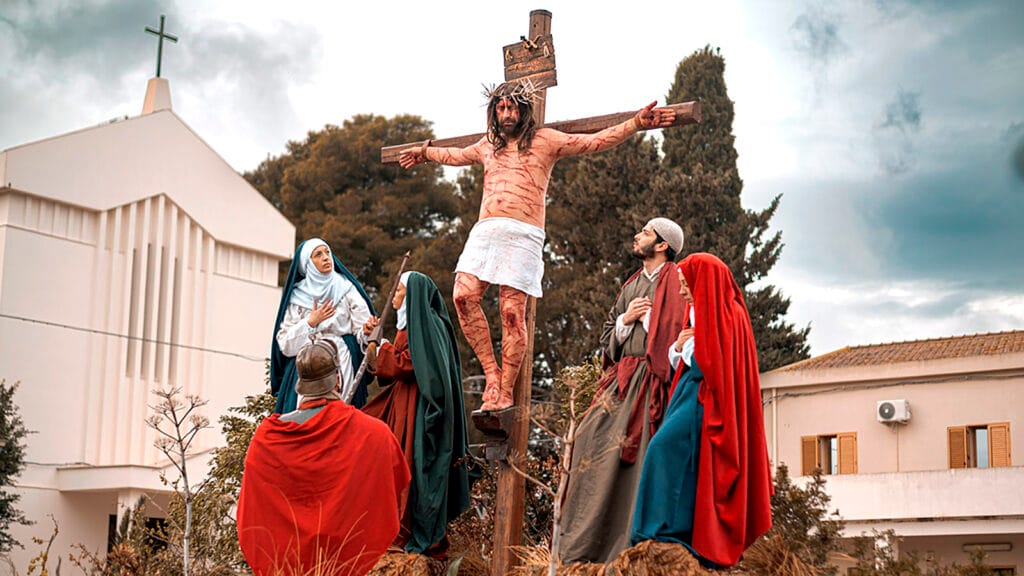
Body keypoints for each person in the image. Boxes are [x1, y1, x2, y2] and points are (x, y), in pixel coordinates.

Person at [399, 81, 678, 412]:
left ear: (524, 110)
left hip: (523, 234)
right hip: (486, 231)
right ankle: (491, 372)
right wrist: (424, 152)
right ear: (494, 111)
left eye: (513, 107)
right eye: (501, 107)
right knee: (462, 296)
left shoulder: (544, 141)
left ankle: (504, 390)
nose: (507, 113)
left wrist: (635, 123)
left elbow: (593, 142)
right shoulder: (488, 145)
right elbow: (454, 155)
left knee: (512, 313)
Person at [630, 252, 773, 567]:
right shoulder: (699, 312)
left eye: (686, 284)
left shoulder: (729, 314)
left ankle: (658, 530)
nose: (681, 291)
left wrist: (688, 346)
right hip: (689, 393)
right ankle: (671, 532)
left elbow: (713, 364)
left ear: (703, 283)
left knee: (662, 449)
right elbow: (679, 358)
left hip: (707, 399)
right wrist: (682, 346)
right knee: (688, 463)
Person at [558, 218, 687, 564]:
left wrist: (649, 323)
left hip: (651, 381)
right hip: (619, 380)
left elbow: (679, 328)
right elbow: (606, 337)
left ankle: (630, 548)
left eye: (645, 232)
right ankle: (582, 552)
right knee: (587, 440)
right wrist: (625, 320)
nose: (637, 235)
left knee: (641, 456)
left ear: (662, 245)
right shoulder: (631, 283)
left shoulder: (675, 279)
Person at [238, 339, 411, 576]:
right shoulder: (375, 433)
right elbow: (397, 485)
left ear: (300, 386)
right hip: (350, 564)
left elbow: (254, 508)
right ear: (338, 379)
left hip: (287, 566)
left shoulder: (268, 438)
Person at [360, 271, 472, 556]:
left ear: (412, 296)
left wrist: (382, 346)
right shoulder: (412, 326)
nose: (393, 296)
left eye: (398, 291)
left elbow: (412, 366)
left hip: (419, 410)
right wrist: (374, 341)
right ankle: (392, 530)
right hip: (404, 404)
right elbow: (395, 364)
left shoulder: (429, 326)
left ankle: (410, 533)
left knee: (413, 468)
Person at [271, 238, 375, 414]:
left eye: (327, 252)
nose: (326, 258)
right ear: (307, 263)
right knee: (307, 416)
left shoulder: (345, 287)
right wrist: (311, 323)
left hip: (341, 360)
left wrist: (366, 332)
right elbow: (285, 345)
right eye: (318, 255)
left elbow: (362, 328)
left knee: (342, 413)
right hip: (307, 364)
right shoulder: (297, 296)